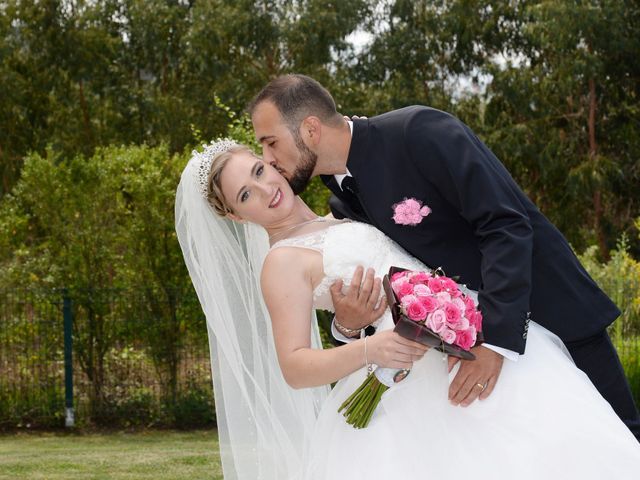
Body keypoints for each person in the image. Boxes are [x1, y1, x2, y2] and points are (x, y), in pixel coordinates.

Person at [175, 139, 640, 480]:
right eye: (244, 195)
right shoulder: (280, 264)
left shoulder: (343, 211)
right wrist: (371, 347)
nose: (264, 189)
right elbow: (295, 366)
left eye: (258, 171)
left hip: (467, 341)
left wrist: (345, 325)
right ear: (237, 217)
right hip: (403, 387)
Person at [248, 74, 640, 439]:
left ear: (310, 130)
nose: (268, 159)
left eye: (270, 142)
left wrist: (496, 344)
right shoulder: (344, 200)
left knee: (619, 442)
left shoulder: (418, 132)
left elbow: (505, 224)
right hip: (465, 353)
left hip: (551, 314)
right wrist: (348, 329)